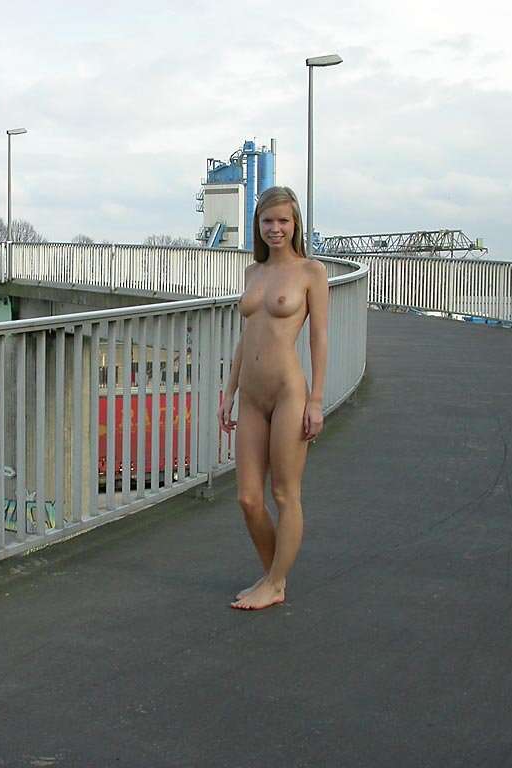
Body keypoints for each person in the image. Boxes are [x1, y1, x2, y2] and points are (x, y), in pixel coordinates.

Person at [218, 186, 329, 610]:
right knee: (248, 498)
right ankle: (272, 578)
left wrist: (315, 400)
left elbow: (319, 337)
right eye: (268, 221)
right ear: (258, 225)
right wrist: (228, 392)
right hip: (251, 396)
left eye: (283, 220)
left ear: (295, 223)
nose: (275, 228)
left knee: (284, 494)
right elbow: (246, 337)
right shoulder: (253, 273)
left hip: (288, 394)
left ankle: (275, 581)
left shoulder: (311, 272)